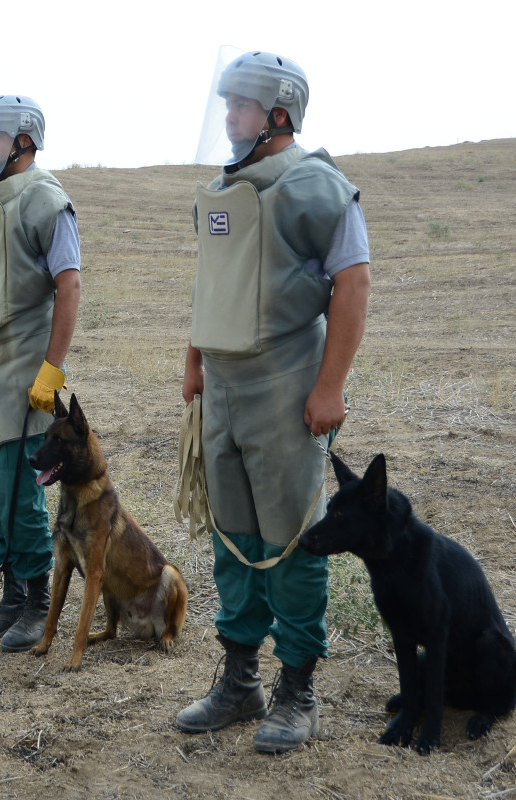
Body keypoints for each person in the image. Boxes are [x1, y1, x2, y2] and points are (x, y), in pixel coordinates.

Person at [175, 50, 370, 754]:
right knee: (234, 538)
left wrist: (329, 387)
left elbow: (354, 282)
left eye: (241, 106)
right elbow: (210, 283)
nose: (228, 117)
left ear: (279, 113)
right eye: (224, 104)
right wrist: (195, 361)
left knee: (290, 541)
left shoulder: (314, 185)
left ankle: (298, 690)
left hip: (286, 389)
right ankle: (238, 681)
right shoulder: (223, 190)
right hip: (223, 394)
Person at [0, 94, 82, 652]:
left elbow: (69, 287)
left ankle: (37, 602)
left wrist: (52, 370)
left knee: (23, 493)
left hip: (26, 371)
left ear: (23, 141)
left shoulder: (45, 200)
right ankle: (11, 594)